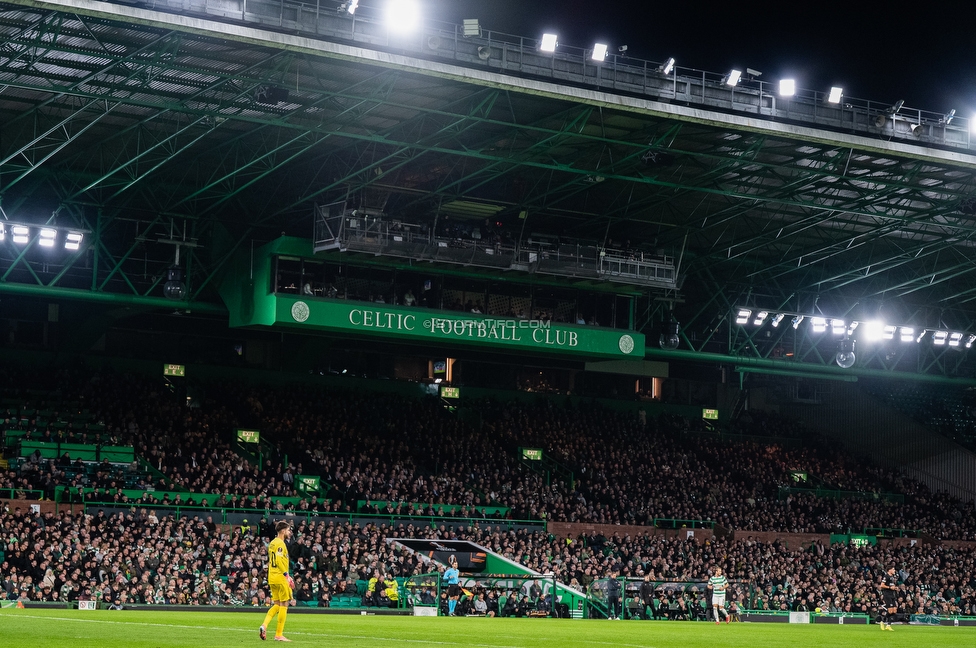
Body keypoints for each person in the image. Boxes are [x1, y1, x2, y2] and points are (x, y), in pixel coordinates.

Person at [260, 521, 295, 642]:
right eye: (288, 530)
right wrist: (287, 575)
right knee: (284, 605)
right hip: (280, 577)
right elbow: (279, 560)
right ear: (283, 531)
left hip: (272, 577)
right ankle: (279, 634)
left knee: (276, 604)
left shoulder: (272, 543)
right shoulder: (280, 544)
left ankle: (264, 625)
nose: (289, 532)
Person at [878, 566, 899, 631]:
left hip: (892, 595)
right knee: (890, 610)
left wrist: (895, 588)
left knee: (894, 610)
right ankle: (882, 621)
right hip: (887, 595)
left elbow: (892, 585)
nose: (894, 570)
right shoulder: (886, 576)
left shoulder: (892, 577)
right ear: (889, 570)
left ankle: (888, 625)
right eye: (893, 569)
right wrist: (889, 587)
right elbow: (882, 585)